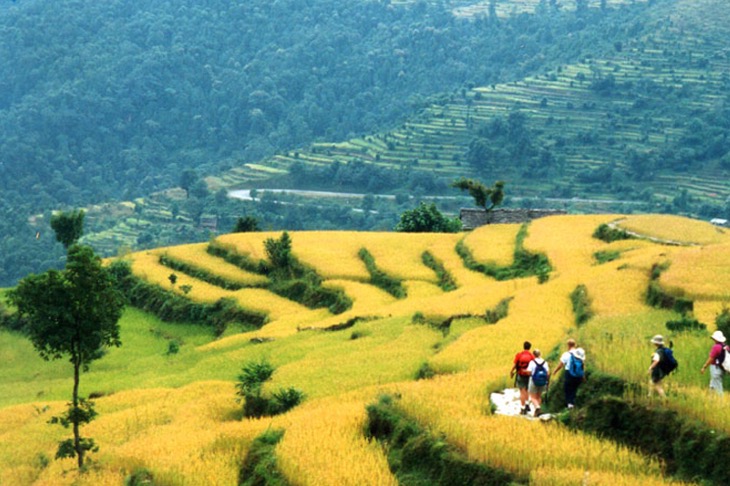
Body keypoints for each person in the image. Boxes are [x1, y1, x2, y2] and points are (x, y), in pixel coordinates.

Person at [552, 338, 585, 409]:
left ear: (568, 345)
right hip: (578, 374)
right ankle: (573, 403)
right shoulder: (579, 353)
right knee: (575, 388)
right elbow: (582, 364)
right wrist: (583, 375)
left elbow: (560, 365)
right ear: (575, 344)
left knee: (568, 388)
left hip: (569, 373)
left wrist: (555, 371)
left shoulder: (566, 354)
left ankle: (569, 404)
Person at [510, 341, 535, 415]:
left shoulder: (519, 355)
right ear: (529, 347)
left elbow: (515, 365)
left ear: (523, 346)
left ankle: (522, 408)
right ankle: (527, 404)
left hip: (520, 374)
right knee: (527, 390)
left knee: (522, 391)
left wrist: (511, 372)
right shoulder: (531, 356)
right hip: (528, 374)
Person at [700, 330, 726, 395]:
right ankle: (711, 400)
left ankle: (720, 401)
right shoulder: (724, 346)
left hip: (715, 369)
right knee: (713, 384)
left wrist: (704, 367)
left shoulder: (716, 347)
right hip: (721, 368)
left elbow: (711, 358)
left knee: (718, 386)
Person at [527, 349, 550, 416]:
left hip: (533, 381)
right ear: (540, 354)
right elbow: (548, 373)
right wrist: (546, 380)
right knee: (538, 396)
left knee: (532, 397)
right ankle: (536, 413)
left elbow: (529, 372)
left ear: (533, 355)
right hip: (543, 381)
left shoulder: (532, 362)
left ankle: (538, 408)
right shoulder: (545, 362)